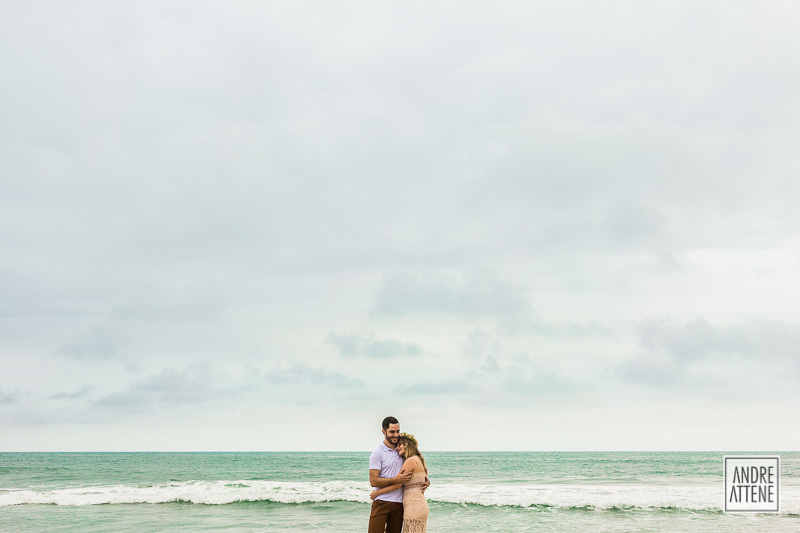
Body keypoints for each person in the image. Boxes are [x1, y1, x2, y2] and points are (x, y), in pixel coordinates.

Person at [368, 416, 428, 533]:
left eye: (397, 431)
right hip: (381, 502)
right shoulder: (377, 453)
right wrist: (396, 480)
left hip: (399, 505)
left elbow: (417, 472)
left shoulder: (403, 451)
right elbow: (374, 481)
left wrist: (426, 481)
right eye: (392, 432)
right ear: (383, 432)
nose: (396, 435)